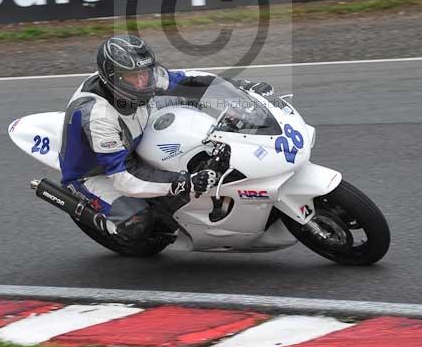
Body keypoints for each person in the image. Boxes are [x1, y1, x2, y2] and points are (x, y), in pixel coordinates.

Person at [59, 34, 273, 245]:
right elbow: (124, 177)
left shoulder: (143, 78)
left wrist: (240, 89)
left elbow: (190, 82)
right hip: (96, 172)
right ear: (113, 78)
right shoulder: (98, 116)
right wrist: (185, 182)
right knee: (136, 223)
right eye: (134, 77)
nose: (143, 82)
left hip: (134, 132)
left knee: (191, 103)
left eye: (146, 73)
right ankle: (104, 220)